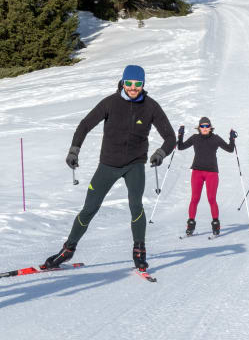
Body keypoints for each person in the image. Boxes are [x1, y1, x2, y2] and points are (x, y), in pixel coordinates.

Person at [42, 65, 175, 275]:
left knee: (136, 206)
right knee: (89, 208)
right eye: (129, 83)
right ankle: (68, 250)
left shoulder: (151, 107)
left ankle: (139, 251)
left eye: (138, 84)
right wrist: (74, 150)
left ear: (143, 84)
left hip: (135, 165)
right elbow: (85, 125)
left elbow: (170, 137)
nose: (133, 88)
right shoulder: (110, 103)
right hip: (108, 165)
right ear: (123, 82)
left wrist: (160, 153)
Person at [177, 117, 236, 236]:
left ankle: (216, 224)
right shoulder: (195, 138)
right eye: (202, 126)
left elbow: (230, 149)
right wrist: (180, 135)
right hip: (197, 172)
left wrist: (232, 138)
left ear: (210, 127)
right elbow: (181, 147)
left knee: (211, 199)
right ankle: (190, 225)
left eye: (207, 126)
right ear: (199, 128)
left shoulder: (215, 138)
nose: (204, 128)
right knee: (194, 199)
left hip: (212, 173)